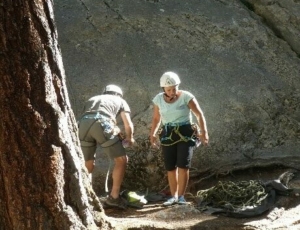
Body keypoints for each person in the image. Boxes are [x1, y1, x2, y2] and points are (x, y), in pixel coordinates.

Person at [150, 72, 209, 206]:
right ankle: (173, 196)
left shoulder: (186, 97)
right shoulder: (158, 99)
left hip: (185, 133)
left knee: (183, 165)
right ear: (163, 89)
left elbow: (199, 115)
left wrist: (204, 132)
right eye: (169, 89)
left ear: (178, 86)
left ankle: (181, 197)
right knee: (170, 167)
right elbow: (156, 118)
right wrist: (152, 133)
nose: (172, 92)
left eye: (174, 88)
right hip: (168, 134)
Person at [78, 84, 135, 209]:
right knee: (121, 160)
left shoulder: (92, 99)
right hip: (102, 123)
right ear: (119, 94)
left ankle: (85, 196)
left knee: (87, 163)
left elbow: (91, 117)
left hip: (82, 124)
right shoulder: (120, 100)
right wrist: (129, 138)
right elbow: (128, 124)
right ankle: (114, 197)